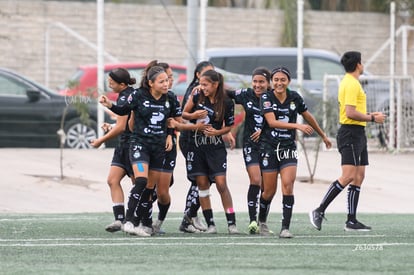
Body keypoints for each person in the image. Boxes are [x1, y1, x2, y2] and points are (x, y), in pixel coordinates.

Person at [99, 65, 182, 237]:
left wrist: (170, 134)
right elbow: (123, 110)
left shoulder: (171, 98)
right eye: (162, 81)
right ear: (151, 83)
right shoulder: (138, 95)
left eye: (167, 80)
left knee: (150, 189)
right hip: (139, 145)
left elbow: (172, 120)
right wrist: (110, 105)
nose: (166, 84)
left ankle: (139, 223)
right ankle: (128, 221)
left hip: (158, 149)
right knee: (141, 181)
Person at [309, 51, 386, 232]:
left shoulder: (352, 82)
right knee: (348, 176)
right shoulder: (350, 83)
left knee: (359, 176)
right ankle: (319, 210)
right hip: (350, 133)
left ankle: (351, 221)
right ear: (358, 64)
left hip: (358, 132)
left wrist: (370, 116)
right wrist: (373, 119)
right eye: (362, 61)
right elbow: (350, 113)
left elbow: (352, 112)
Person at [258, 66, 332, 238]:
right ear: (272, 82)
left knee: (288, 186)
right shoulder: (266, 98)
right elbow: (272, 122)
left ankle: (285, 228)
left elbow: (308, 117)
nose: (279, 83)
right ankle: (262, 221)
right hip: (269, 147)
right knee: (269, 191)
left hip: (288, 149)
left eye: (283, 80)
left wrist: (323, 136)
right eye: (276, 80)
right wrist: (296, 126)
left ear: (288, 81)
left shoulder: (294, 98)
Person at [181, 69, 240, 234]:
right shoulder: (197, 95)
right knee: (202, 184)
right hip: (196, 146)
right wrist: (194, 114)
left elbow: (229, 125)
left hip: (215, 147)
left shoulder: (227, 101)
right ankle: (211, 224)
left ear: (215, 85)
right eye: (201, 84)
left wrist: (218, 132)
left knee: (221, 183)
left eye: (205, 84)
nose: (202, 87)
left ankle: (231, 223)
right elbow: (183, 113)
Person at [90, 68, 136, 233]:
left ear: (122, 84)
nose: (109, 84)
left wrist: (100, 141)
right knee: (112, 180)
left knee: (137, 186)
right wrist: (111, 126)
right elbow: (121, 124)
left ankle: (139, 220)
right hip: (123, 146)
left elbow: (122, 126)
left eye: (112, 82)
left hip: (133, 147)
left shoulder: (127, 96)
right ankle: (119, 219)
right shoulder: (123, 95)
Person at [226, 67, 271, 234]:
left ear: (268, 83)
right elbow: (227, 93)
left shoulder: (273, 96)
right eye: (255, 82)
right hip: (250, 145)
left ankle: (263, 221)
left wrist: (265, 130)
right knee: (256, 180)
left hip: (269, 146)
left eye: (261, 82)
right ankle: (253, 221)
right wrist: (210, 83)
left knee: (267, 187)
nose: (258, 85)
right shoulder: (245, 94)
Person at [177, 61, 215, 233]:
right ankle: (190, 217)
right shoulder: (195, 91)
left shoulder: (212, 90)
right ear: (198, 75)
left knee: (204, 179)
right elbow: (183, 116)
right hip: (191, 140)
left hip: (206, 142)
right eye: (207, 73)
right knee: (200, 179)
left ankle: (192, 215)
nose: (211, 77)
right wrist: (194, 118)